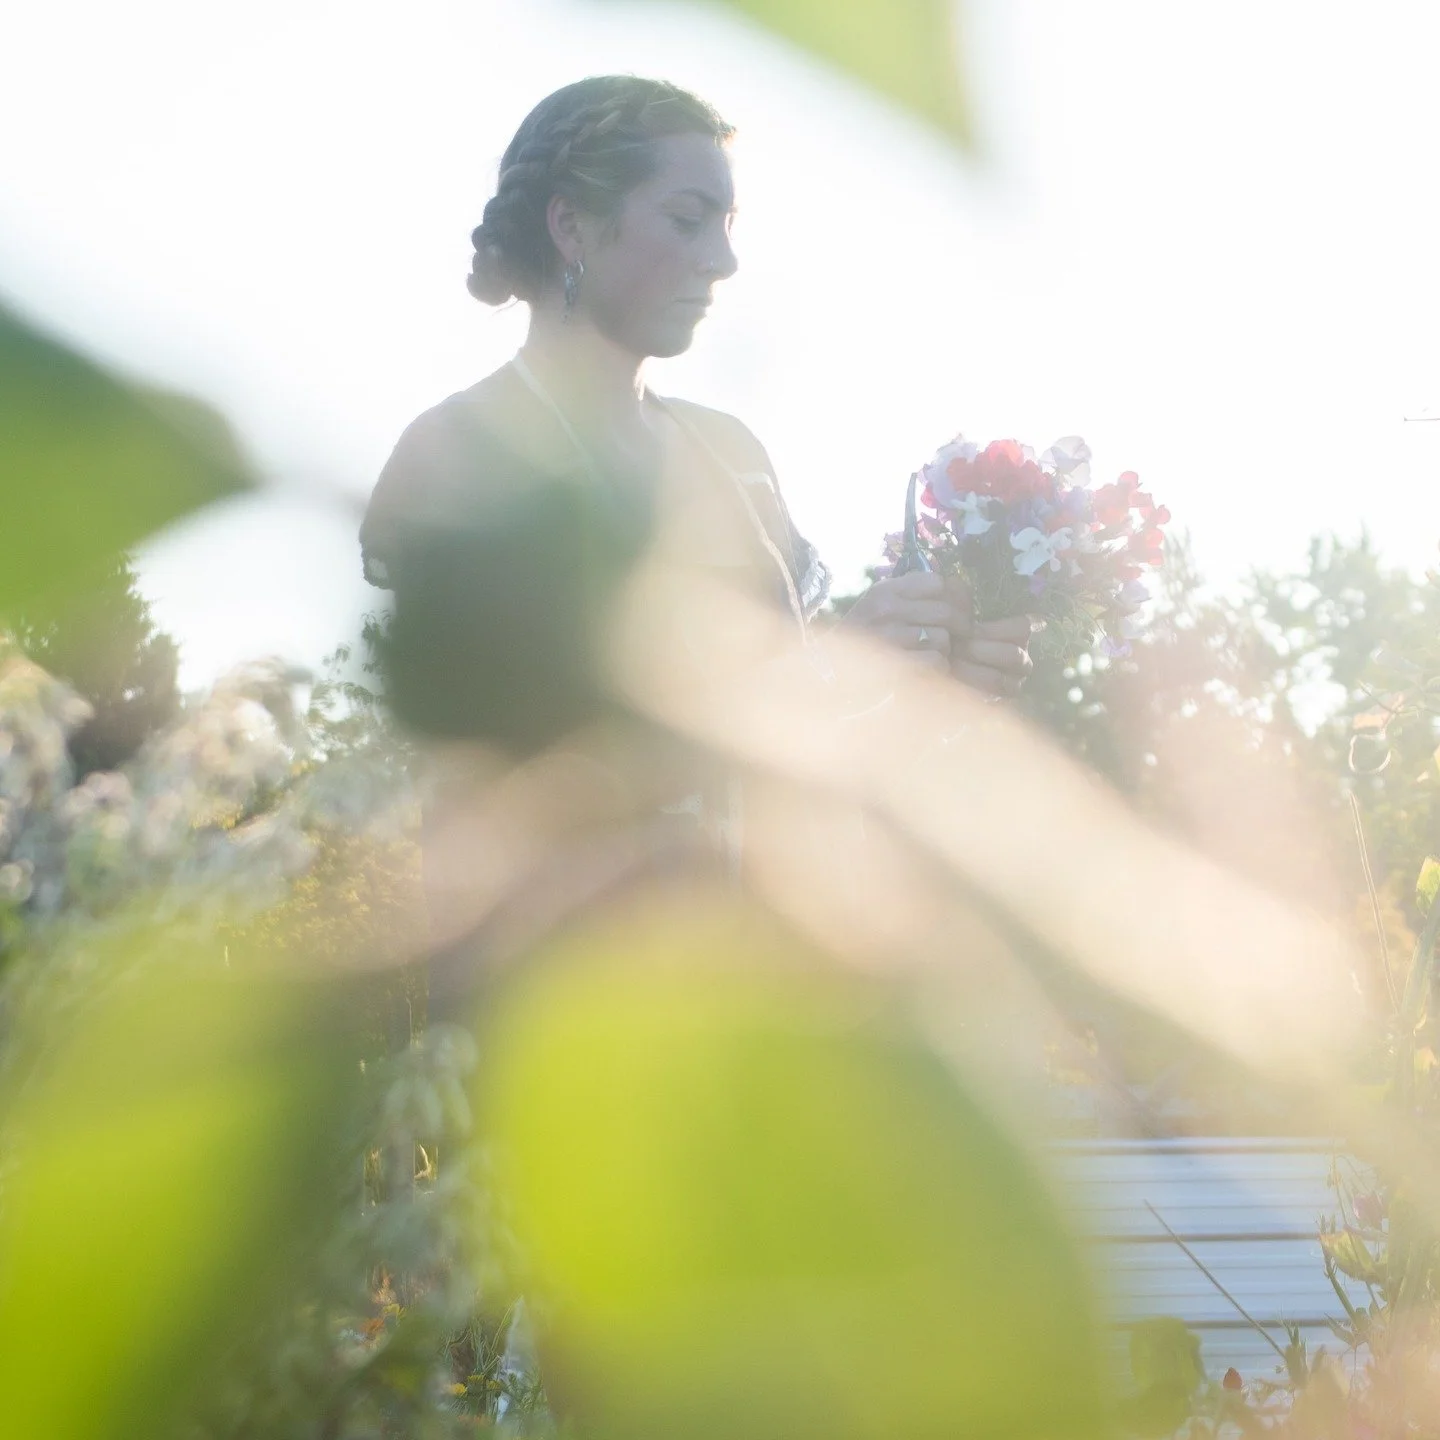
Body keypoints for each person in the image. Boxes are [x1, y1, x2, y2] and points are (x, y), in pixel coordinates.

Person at [359, 74, 1033, 727]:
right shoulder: (459, 449)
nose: (723, 260)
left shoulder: (732, 453)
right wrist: (834, 667)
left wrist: (920, 689)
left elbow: (794, 746)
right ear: (571, 226)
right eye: (688, 220)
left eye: (728, 225)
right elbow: (507, 738)